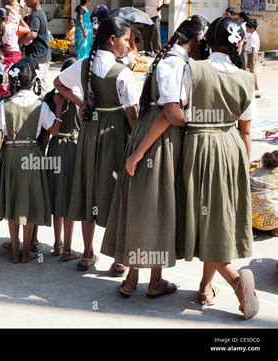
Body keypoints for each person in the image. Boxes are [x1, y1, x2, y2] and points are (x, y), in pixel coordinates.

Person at [102, 15, 208, 298]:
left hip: (147, 130)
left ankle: (132, 280)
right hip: (159, 137)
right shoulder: (175, 63)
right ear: (197, 39)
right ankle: (153, 282)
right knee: (158, 206)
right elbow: (171, 112)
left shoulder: (169, 59)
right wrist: (196, 124)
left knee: (143, 204)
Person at [182, 17, 258, 319]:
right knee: (217, 219)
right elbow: (247, 130)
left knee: (204, 220)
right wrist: (245, 169)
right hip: (231, 147)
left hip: (199, 146)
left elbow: (178, 110)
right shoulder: (244, 78)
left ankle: (237, 283)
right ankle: (205, 285)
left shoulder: (193, 69)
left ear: (207, 40)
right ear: (238, 43)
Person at [54, 17, 139, 272]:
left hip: (89, 132)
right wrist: (138, 146)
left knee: (87, 189)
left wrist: (82, 104)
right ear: (112, 40)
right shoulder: (122, 72)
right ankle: (119, 258)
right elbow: (132, 113)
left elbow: (58, 84)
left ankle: (87, 254)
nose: (128, 45)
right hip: (114, 134)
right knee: (117, 192)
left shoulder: (82, 65)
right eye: (126, 40)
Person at [0, 58, 63, 263]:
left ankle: (14, 249)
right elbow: (54, 130)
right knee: (28, 205)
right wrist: (58, 108)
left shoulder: (4, 105)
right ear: (34, 82)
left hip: (11, 155)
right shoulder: (41, 106)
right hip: (33, 156)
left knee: (13, 203)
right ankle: (25, 252)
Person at [44, 58, 82, 261]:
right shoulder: (79, 99)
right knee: (68, 200)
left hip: (55, 148)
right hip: (73, 150)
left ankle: (57, 244)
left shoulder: (51, 98)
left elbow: (46, 130)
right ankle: (67, 248)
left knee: (57, 197)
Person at [0, 6, 30, 98]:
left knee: (4, 81)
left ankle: (3, 98)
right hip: (14, 59)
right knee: (15, 77)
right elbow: (28, 29)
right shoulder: (12, 27)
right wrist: (20, 19)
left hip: (2, 62)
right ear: (7, 17)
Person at [21, 0, 51, 95]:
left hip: (37, 57)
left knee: (34, 88)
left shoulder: (36, 15)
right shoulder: (39, 13)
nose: (26, 0)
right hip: (44, 55)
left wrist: (20, 42)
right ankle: (48, 107)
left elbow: (33, 34)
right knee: (44, 88)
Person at [250, 151, 278, 237]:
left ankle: (254, 228)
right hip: (271, 220)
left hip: (247, 218)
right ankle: (275, 229)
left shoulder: (253, 167)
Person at [245, 19, 260, 97]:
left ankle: (255, 88)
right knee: (252, 71)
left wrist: (252, 61)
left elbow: (253, 49)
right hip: (251, 54)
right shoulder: (253, 34)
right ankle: (255, 88)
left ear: (252, 28)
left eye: (247, 28)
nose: (246, 29)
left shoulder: (253, 36)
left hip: (251, 54)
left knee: (252, 72)